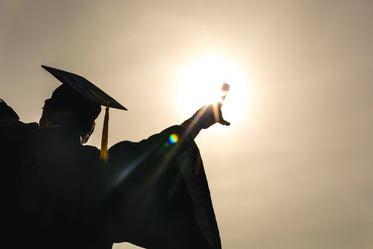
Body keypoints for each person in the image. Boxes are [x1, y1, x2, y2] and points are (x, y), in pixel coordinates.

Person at [0, 65, 229, 249]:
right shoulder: (105, 171)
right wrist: (197, 122)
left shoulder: (14, 139)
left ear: (46, 111)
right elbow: (159, 152)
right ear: (89, 130)